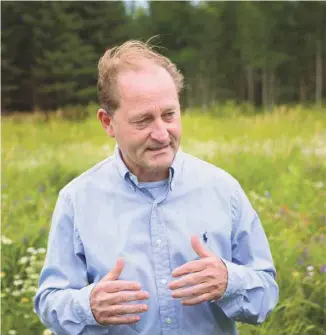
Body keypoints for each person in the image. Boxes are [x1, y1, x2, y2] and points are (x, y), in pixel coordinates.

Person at [34, 40, 279, 335]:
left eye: (169, 115)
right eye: (143, 120)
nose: (162, 134)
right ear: (107, 123)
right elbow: (50, 302)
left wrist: (230, 282)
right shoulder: (77, 200)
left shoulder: (223, 190)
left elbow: (266, 295)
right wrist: (88, 307)